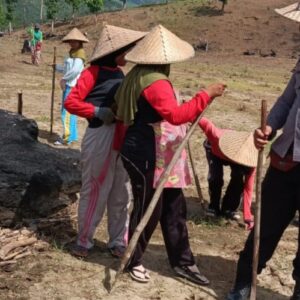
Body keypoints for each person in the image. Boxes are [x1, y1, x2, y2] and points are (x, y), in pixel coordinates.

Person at [115, 24, 226, 284]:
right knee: (148, 209)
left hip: (161, 152)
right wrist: (205, 94)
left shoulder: (138, 74)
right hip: (147, 153)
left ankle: (182, 261)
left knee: (175, 207)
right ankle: (133, 258)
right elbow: (176, 116)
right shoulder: (155, 82)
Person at [226, 3, 300, 300]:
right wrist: (269, 127)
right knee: (266, 225)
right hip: (286, 159)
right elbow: (285, 102)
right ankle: (244, 284)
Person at [64, 24, 146, 258]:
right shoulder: (93, 72)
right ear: (115, 51)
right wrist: (97, 111)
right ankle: (84, 240)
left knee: (121, 189)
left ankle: (117, 240)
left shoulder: (119, 74)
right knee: (96, 188)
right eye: (126, 51)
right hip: (100, 135)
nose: (129, 55)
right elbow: (71, 102)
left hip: (122, 136)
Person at [198, 117, 257, 230]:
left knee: (238, 178)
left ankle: (229, 208)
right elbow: (203, 121)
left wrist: (248, 216)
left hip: (237, 155)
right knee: (215, 177)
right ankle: (214, 206)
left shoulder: (250, 161)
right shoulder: (216, 136)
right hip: (215, 149)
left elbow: (248, 189)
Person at [54, 28, 89, 146]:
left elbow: (75, 71)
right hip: (69, 84)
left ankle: (67, 137)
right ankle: (72, 136)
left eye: (74, 41)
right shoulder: (72, 53)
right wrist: (57, 67)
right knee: (70, 111)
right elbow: (67, 68)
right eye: (71, 41)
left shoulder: (80, 55)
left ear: (80, 42)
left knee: (67, 111)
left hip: (72, 85)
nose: (72, 43)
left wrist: (64, 79)